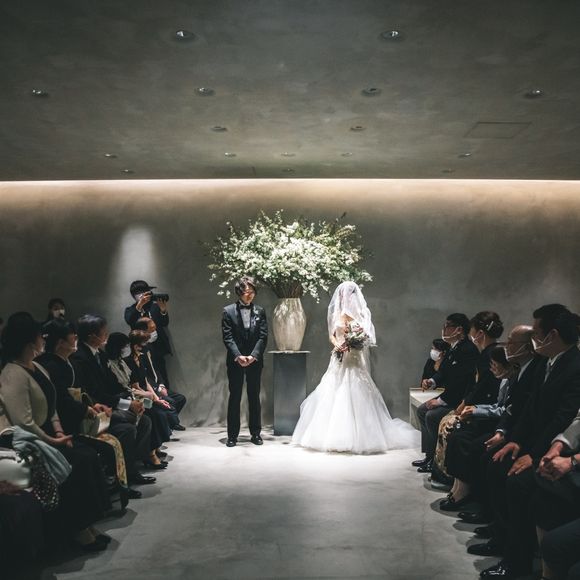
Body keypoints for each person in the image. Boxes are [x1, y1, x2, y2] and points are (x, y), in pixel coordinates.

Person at [480, 304, 580, 579]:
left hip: (555, 448)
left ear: (553, 335)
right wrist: (515, 442)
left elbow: (563, 418)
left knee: (519, 482)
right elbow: (529, 408)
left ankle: (517, 561)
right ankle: (502, 537)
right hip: (543, 442)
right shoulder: (547, 362)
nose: (534, 337)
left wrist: (534, 455)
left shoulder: (574, 366)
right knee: (496, 462)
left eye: (536, 332)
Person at [0, 312, 111, 551]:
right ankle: (77, 530)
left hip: (49, 434)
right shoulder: (12, 374)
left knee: (88, 455)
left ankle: (88, 522)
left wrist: (59, 433)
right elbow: (23, 421)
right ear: (30, 341)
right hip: (29, 439)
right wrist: (52, 440)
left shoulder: (38, 367)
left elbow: (52, 408)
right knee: (75, 462)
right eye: (40, 335)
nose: (43, 339)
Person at [292, 281, 419, 454]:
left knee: (357, 390)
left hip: (354, 358)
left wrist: (355, 342)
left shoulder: (362, 313)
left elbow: (366, 337)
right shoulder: (335, 313)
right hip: (339, 358)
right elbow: (331, 335)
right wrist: (338, 344)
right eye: (344, 293)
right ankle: (334, 435)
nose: (346, 296)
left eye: (350, 293)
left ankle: (362, 436)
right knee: (333, 390)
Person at [70, 314, 155, 487]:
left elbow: (113, 385)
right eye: (103, 332)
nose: (106, 335)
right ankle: (123, 474)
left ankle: (129, 467)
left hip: (110, 403)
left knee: (144, 420)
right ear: (92, 336)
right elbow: (95, 393)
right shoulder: (81, 358)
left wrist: (131, 401)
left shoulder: (99, 355)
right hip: (95, 410)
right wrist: (128, 404)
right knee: (128, 427)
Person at [413, 313, 478, 472]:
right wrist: (432, 381)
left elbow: (460, 382)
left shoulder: (467, 350)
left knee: (431, 416)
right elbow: (444, 371)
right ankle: (429, 456)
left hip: (460, 399)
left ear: (459, 329)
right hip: (451, 395)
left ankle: (437, 462)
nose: (444, 329)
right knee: (422, 410)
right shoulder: (453, 347)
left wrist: (440, 401)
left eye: (447, 326)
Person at [221, 276, 268, 447]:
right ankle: (232, 436)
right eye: (246, 291)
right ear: (239, 292)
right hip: (236, 361)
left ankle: (256, 433)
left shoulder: (260, 311)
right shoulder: (228, 311)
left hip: (255, 361)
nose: (249, 295)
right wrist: (238, 356)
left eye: (252, 291)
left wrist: (253, 356)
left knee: (254, 396)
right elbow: (228, 337)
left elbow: (263, 336)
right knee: (235, 396)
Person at [124, 280, 171, 386]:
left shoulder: (154, 306)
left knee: (163, 377)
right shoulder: (131, 310)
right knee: (147, 378)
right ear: (133, 295)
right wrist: (139, 305)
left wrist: (163, 311)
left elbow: (164, 323)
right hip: (141, 350)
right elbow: (130, 320)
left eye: (143, 292)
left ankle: (167, 393)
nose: (141, 295)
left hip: (158, 348)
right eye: (137, 293)